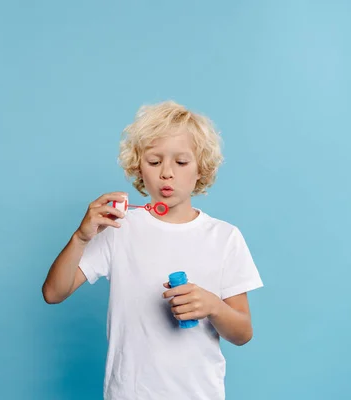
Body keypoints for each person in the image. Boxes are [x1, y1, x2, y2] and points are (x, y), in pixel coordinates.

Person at [42, 101, 263, 400]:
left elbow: (243, 333)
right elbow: (53, 293)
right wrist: (81, 238)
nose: (166, 173)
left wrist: (213, 306)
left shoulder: (224, 237)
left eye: (181, 162)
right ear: (138, 167)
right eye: (154, 161)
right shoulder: (119, 229)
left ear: (201, 169)